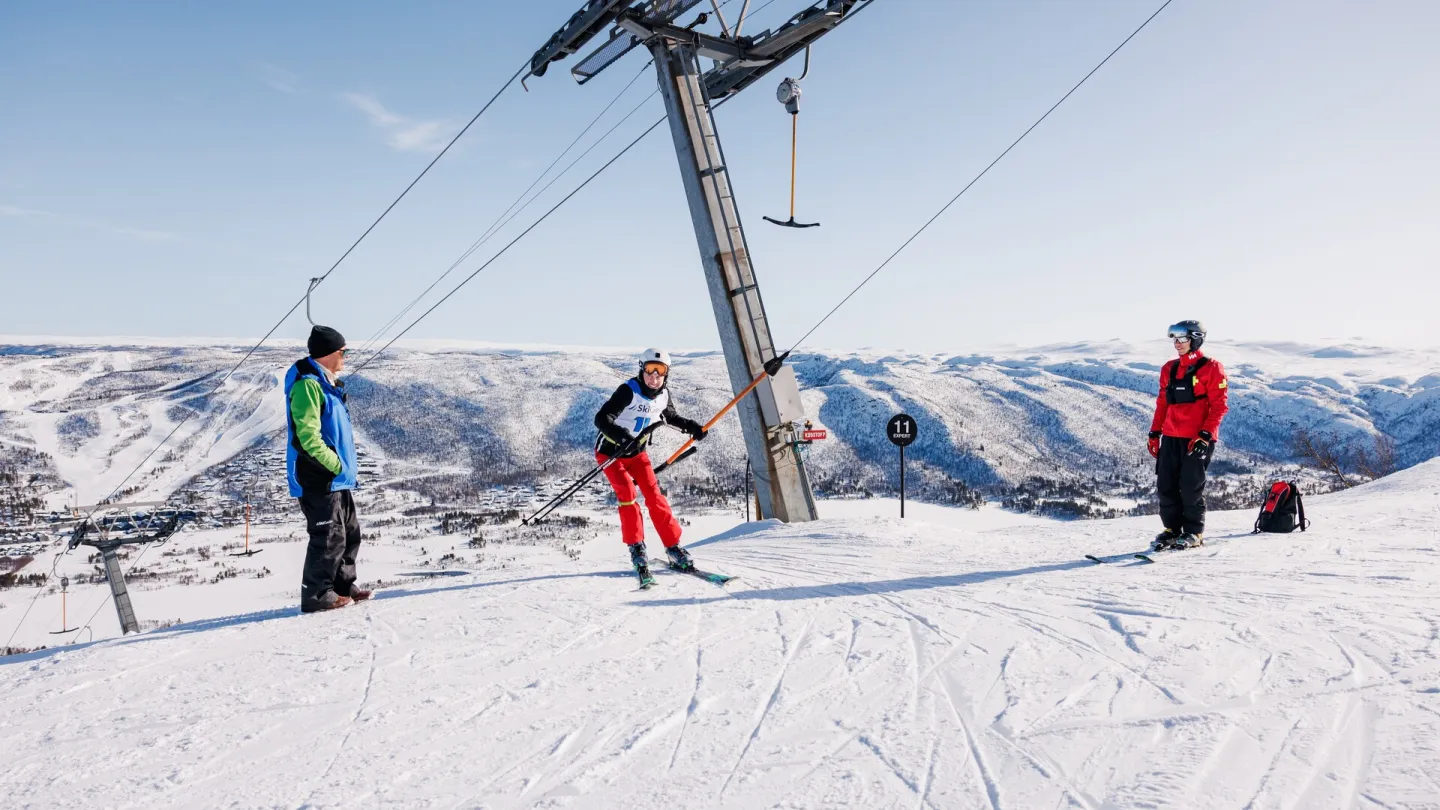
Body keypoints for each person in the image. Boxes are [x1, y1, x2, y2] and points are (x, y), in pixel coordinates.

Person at [594, 349, 708, 585]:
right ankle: (637, 548)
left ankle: (673, 547)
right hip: (611, 453)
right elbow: (602, 418)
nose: (654, 377)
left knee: (654, 496)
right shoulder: (629, 391)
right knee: (627, 494)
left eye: (660, 372)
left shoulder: (663, 394)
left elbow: (670, 416)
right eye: (649, 370)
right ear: (641, 369)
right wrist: (622, 436)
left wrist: (691, 426)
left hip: (637, 454)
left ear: (666, 375)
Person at [285, 325, 371, 612]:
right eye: (342, 351)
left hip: (337, 477)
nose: (345, 356)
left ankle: (342, 586)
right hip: (318, 475)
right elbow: (307, 435)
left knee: (348, 532)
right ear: (328, 353)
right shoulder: (307, 385)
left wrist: (341, 469)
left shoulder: (328, 384)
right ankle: (317, 594)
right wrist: (334, 464)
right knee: (327, 535)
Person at [1148, 320, 1229, 551]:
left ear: (1195, 339)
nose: (1177, 343)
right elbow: (1163, 403)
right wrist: (1155, 433)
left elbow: (1219, 405)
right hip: (1171, 437)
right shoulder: (1169, 368)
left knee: (1191, 486)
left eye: (1182, 339)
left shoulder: (1211, 368)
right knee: (1166, 485)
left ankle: (1194, 532)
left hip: (1197, 439)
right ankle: (1172, 530)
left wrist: (1205, 435)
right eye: (1174, 339)